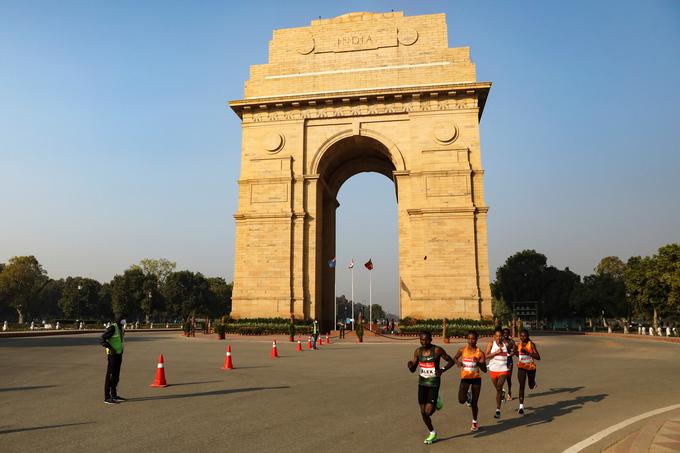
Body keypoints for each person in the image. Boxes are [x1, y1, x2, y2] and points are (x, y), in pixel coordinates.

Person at [407, 331, 455, 444]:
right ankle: (432, 432)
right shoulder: (418, 351)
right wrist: (410, 365)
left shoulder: (437, 350)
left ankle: (437, 399)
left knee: (428, 412)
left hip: (433, 383)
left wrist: (442, 370)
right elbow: (413, 368)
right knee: (423, 412)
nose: (423, 342)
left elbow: (451, 361)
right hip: (422, 383)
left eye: (426, 340)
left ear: (430, 340)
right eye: (421, 340)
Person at [453, 330, 487, 432]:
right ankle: (468, 395)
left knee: (474, 403)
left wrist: (479, 363)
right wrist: (458, 363)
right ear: (467, 339)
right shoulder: (462, 350)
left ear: (476, 339)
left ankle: (474, 421)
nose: (471, 341)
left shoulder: (480, 353)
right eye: (469, 338)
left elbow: (485, 370)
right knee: (461, 400)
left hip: (476, 379)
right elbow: (455, 358)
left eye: (473, 339)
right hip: (465, 378)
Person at [100, 313, 127, 404]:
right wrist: (111, 348)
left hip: (119, 354)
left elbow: (120, 341)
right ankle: (107, 397)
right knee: (110, 375)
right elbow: (102, 339)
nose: (124, 320)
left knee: (116, 376)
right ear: (119, 319)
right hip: (112, 355)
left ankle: (114, 395)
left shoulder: (121, 328)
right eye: (123, 318)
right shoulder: (112, 328)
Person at [515, 329, 541, 414]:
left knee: (530, 386)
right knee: (521, 385)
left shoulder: (531, 344)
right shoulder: (518, 345)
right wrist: (512, 352)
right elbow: (517, 354)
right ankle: (521, 406)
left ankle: (533, 382)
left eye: (524, 336)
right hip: (521, 367)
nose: (523, 337)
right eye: (521, 336)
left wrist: (528, 353)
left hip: (531, 368)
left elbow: (538, 357)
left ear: (528, 336)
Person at [485, 327, 509, 419]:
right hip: (493, 369)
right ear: (494, 336)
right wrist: (496, 352)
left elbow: (508, 355)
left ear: (502, 336)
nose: (498, 337)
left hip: (503, 369)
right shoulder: (491, 344)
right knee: (498, 389)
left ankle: (498, 410)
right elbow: (486, 356)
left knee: (499, 387)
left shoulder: (505, 344)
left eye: (500, 336)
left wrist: (509, 355)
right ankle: (502, 393)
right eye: (497, 336)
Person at [502, 327, 516, 401]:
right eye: (504, 333)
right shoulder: (499, 342)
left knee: (508, 378)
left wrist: (512, 353)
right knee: (501, 377)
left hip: (509, 361)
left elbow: (515, 350)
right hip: (501, 361)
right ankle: (501, 392)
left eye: (507, 333)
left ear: (509, 334)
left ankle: (509, 392)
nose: (505, 334)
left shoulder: (511, 342)